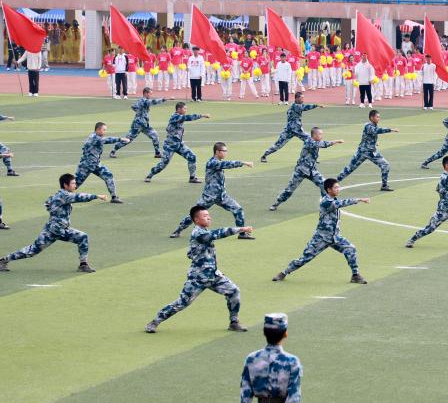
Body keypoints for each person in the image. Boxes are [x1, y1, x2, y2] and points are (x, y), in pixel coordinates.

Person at [145, 205, 252, 333]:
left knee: (234, 291)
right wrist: (240, 229)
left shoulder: (203, 231)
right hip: (198, 277)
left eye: (208, 215)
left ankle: (234, 322)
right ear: (196, 220)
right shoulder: (198, 233)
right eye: (205, 216)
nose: (209, 218)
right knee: (182, 303)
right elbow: (218, 233)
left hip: (213, 275)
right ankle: (154, 322)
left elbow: (201, 254)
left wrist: (214, 266)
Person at [0, 173, 106, 273]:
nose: (75, 185)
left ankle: (3, 260)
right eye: (73, 183)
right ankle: (83, 265)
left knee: (33, 250)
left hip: (52, 228)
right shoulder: (64, 195)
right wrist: (96, 196)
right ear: (65, 185)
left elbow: (47, 203)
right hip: (58, 229)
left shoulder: (58, 195)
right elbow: (79, 197)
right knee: (82, 237)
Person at [272, 179, 369, 283]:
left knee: (350, 249)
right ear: (329, 190)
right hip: (321, 238)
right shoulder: (326, 202)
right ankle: (284, 273)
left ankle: (355, 275)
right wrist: (358, 199)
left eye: (338, 187)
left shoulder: (332, 199)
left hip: (335, 237)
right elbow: (340, 203)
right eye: (336, 187)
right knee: (305, 258)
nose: (338, 189)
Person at [171, 142, 253, 238]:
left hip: (221, 196)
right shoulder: (213, 162)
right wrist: (243, 163)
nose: (226, 153)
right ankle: (177, 231)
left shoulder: (217, 162)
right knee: (194, 215)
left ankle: (242, 233)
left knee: (238, 209)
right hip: (209, 197)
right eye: (224, 151)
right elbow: (227, 164)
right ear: (217, 151)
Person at [269, 127, 343, 210]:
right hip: (301, 171)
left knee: (324, 185)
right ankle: (276, 203)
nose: (322, 136)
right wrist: (336, 141)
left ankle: (326, 204)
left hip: (312, 171)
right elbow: (324, 144)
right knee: (290, 189)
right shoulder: (310, 142)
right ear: (315, 135)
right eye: (320, 134)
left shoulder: (314, 141)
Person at [145, 102, 209, 183]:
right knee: (164, 163)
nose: (186, 110)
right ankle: (150, 175)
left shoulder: (179, 117)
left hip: (179, 144)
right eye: (184, 108)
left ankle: (192, 178)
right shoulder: (175, 116)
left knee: (192, 157)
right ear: (179, 109)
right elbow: (188, 117)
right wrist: (202, 115)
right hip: (170, 145)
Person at [336, 109, 398, 191]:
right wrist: (390, 130)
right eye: (377, 117)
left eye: (379, 117)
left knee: (385, 165)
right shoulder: (368, 126)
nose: (379, 119)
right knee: (349, 168)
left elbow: (370, 136)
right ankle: (334, 183)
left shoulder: (374, 125)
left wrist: (374, 143)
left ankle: (384, 185)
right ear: (372, 118)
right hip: (363, 152)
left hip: (372, 152)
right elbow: (377, 131)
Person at [260, 92, 323, 162]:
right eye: (301, 98)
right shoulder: (295, 106)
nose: (303, 99)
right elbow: (305, 107)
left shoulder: (296, 105)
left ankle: (313, 158)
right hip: (289, 130)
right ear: (297, 98)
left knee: (311, 140)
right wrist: (316, 105)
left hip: (297, 130)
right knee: (278, 145)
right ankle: (264, 156)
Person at [74, 122, 127, 203]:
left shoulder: (96, 137)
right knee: (75, 185)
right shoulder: (94, 138)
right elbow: (107, 140)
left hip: (95, 164)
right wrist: (120, 139)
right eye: (104, 130)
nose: (105, 132)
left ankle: (114, 197)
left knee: (108, 176)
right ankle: (61, 197)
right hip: (86, 165)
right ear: (98, 130)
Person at [109, 88, 168, 159]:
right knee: (128, 140)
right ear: (145, 93)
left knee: (155, 136)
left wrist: (139, 111)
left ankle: (157, 153)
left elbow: (133, 106)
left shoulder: (140, 100)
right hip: (138, 125)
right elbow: (153, 102)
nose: (151, 95)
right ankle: (113, 151)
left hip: (145, 125)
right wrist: (163, 99)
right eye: (150, 94)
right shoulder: (143, 100)